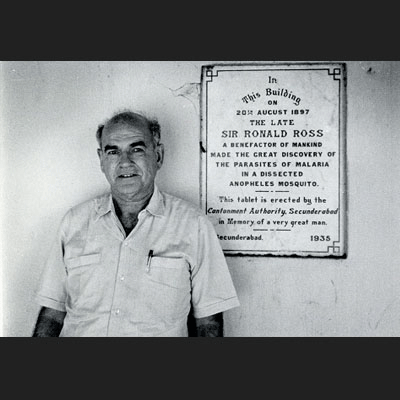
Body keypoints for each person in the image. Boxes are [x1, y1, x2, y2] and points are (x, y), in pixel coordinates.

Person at [32, 110, 240, 337]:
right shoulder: (74, 223)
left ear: (158, 155)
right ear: (101, 160)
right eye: (113, 152)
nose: (125, 162)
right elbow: (52, 315)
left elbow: (208, 323)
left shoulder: (193, 225)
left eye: (137, 149)